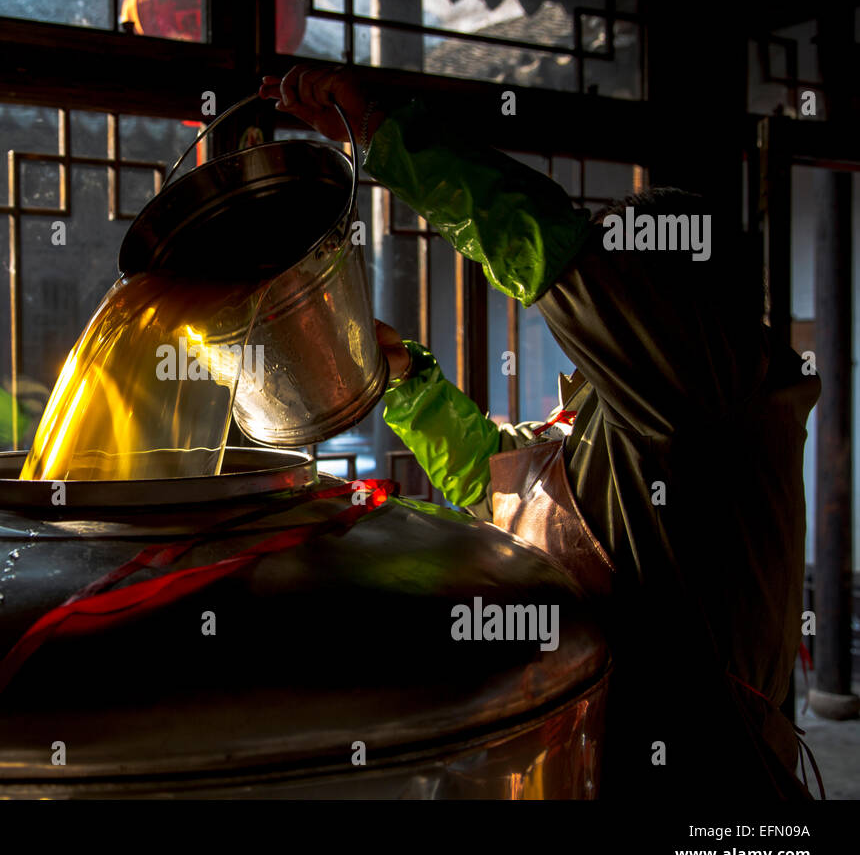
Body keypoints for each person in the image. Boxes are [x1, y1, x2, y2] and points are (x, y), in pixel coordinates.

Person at [260, 65, 822, 800]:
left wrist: (385, 138)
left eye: (617, 272)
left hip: (703, 772)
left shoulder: (712, 398)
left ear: (679, 303)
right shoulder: (618, 410)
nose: (587, 295)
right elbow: (506, 481)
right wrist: (405, 378)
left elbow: (551, 251)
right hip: (597, 749)